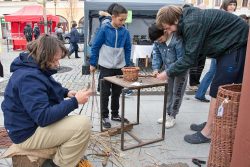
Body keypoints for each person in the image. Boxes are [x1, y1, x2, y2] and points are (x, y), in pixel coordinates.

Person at [156, 5, 248, 144]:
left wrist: (168, 72)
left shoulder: (192, 23)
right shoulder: (187, 20)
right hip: (226, 47)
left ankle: (208, 132)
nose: (167, 31)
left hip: (236, 45)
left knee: (218, 90)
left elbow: (189, 58)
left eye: (167, 27)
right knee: (216, 88)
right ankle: (211, 123)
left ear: (175, 20)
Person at [1, 35, 92, 167]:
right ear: (44, 56)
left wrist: (66, 93)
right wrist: (75, 102)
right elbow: (43, 117)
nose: (57, 64)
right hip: (26, 133)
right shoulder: (28, 77)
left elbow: (48, 86)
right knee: (82, 124)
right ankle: (58, 164)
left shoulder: (33, 67)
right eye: (55, 60)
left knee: (74, 122)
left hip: (27, 125)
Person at [89, 3, 131, 128]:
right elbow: (95, 46)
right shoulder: (104, 29)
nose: (123, 22)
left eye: (124, 20)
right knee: (105, 92)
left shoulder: (125, 31)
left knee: (117, 92)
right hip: (105, 66)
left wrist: (127, 65)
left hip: (119, 67)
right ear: (113, 17)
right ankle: (104, 116)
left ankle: (115, 114)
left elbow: (128, 48)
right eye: (121, 19)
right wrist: (93, 63)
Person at [194, 0, 237, 103]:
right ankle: (205, 94)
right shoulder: (223, 15)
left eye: (234, 5)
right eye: (230, 4)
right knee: (214, 71)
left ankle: (201, 93)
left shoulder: (228, 15)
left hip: (221, 47)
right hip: (219, 48)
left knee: (213, 71)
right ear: (225, 5)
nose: (232, 6)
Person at [149, 23, 188, 128]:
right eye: (156, 41)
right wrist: (156, 68)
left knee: (177, 93)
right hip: (168, 71)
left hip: (181, 70)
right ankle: (167, 114)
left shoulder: (177, 40)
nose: (159, 42)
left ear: (166, 31)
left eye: (160, 39)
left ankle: (172, 116)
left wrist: (167, 72)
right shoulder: (158, 41)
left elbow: (182, 59)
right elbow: (156, 54)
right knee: (169, 92)